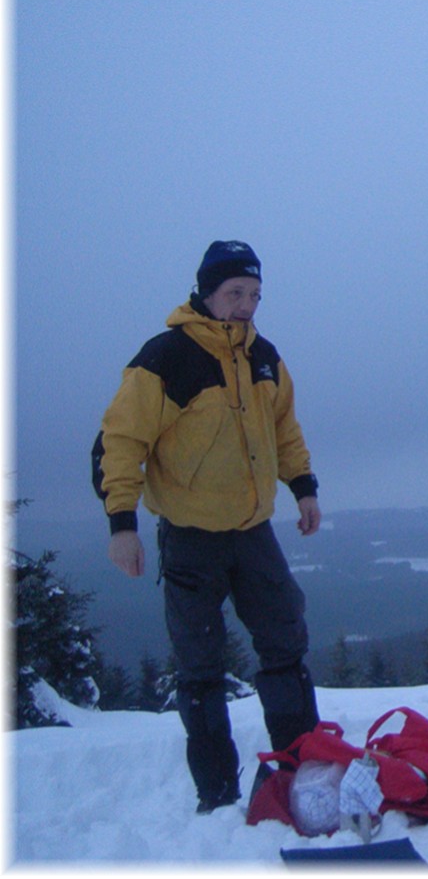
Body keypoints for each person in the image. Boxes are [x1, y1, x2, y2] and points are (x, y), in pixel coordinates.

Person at [91, 240, 322, 813]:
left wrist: (303, 487)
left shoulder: (263, 356)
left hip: (253, 531)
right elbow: (119, 441)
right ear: (206, 292)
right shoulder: (167, 357)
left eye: (254, 295)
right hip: (191, 537)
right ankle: (217, 793)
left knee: (285, 642)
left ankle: (303, 770)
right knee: (200, 665)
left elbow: (285, 427)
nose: (245, 304)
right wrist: (123, 523)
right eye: (234, 293)